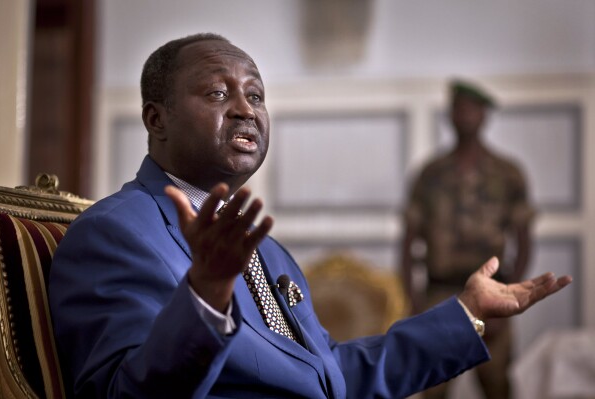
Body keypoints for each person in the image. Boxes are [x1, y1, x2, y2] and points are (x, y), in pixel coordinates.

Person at [49, 34, 570, 399]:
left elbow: (331, 378)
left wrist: (466, 313)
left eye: (255, 95)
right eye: (217, 92)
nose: (245, 109)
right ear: (155, 118)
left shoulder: (265, 250)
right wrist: (205, 297)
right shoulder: (114, 233)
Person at [401, 80, 536, 399]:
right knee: (432, 385)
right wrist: (413, 299)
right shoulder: (430, 174)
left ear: (485, 115)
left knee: (496, 384)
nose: (465, 116)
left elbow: (524, 241)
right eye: (459, 109)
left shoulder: (508, 173)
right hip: (440, 294)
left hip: (492, 292)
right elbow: (407, 242)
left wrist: (511, 300)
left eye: (472, 109)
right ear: (450, 115)